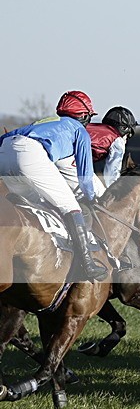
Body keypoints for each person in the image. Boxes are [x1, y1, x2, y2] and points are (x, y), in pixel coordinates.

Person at [0, 90, 108, 281]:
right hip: (30, 155)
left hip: (5, 150)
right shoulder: (80, 131)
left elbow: (8, 139)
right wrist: (91, 197)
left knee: (35, 208)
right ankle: (87, 265)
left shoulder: (46, 121)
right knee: (70, 206)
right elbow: (85, 176)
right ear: (84, 115)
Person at [56, 106, 140, 195]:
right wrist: (115, 193)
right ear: (124, 129)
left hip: (54, 153)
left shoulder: (94, 127)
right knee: (100, 196)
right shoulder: (118, 140)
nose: (127, 139)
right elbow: (111, 174)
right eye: (128, 135)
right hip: (67, 159)